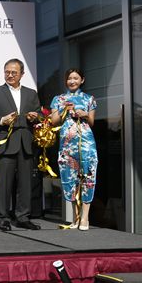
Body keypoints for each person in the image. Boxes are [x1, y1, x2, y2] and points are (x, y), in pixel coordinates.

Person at [0, 58, 41, 231]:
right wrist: (2, 120)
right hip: (5, 143)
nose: (10, 75)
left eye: (14, 72)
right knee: (3, 184)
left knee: (25, 184)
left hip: (25, 143)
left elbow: (39, 115)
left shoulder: (31, 93)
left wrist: (34, 117)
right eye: (7, 72)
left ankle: (23, 217)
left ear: (22, 74)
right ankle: (3, 217)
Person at [50, 68, 97, 231]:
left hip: (86, 143)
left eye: (76, 78)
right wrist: (63, 109)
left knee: (87, 177)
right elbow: (54, 121)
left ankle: (85, 218)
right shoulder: (58, 99)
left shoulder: (89, 99)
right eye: (69, 78)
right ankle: (76, 217)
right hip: (67, 144)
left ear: (82, 80)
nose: (72, 81)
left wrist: (85, 114)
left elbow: (92, 122)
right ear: (65, 81)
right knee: (70, 178)